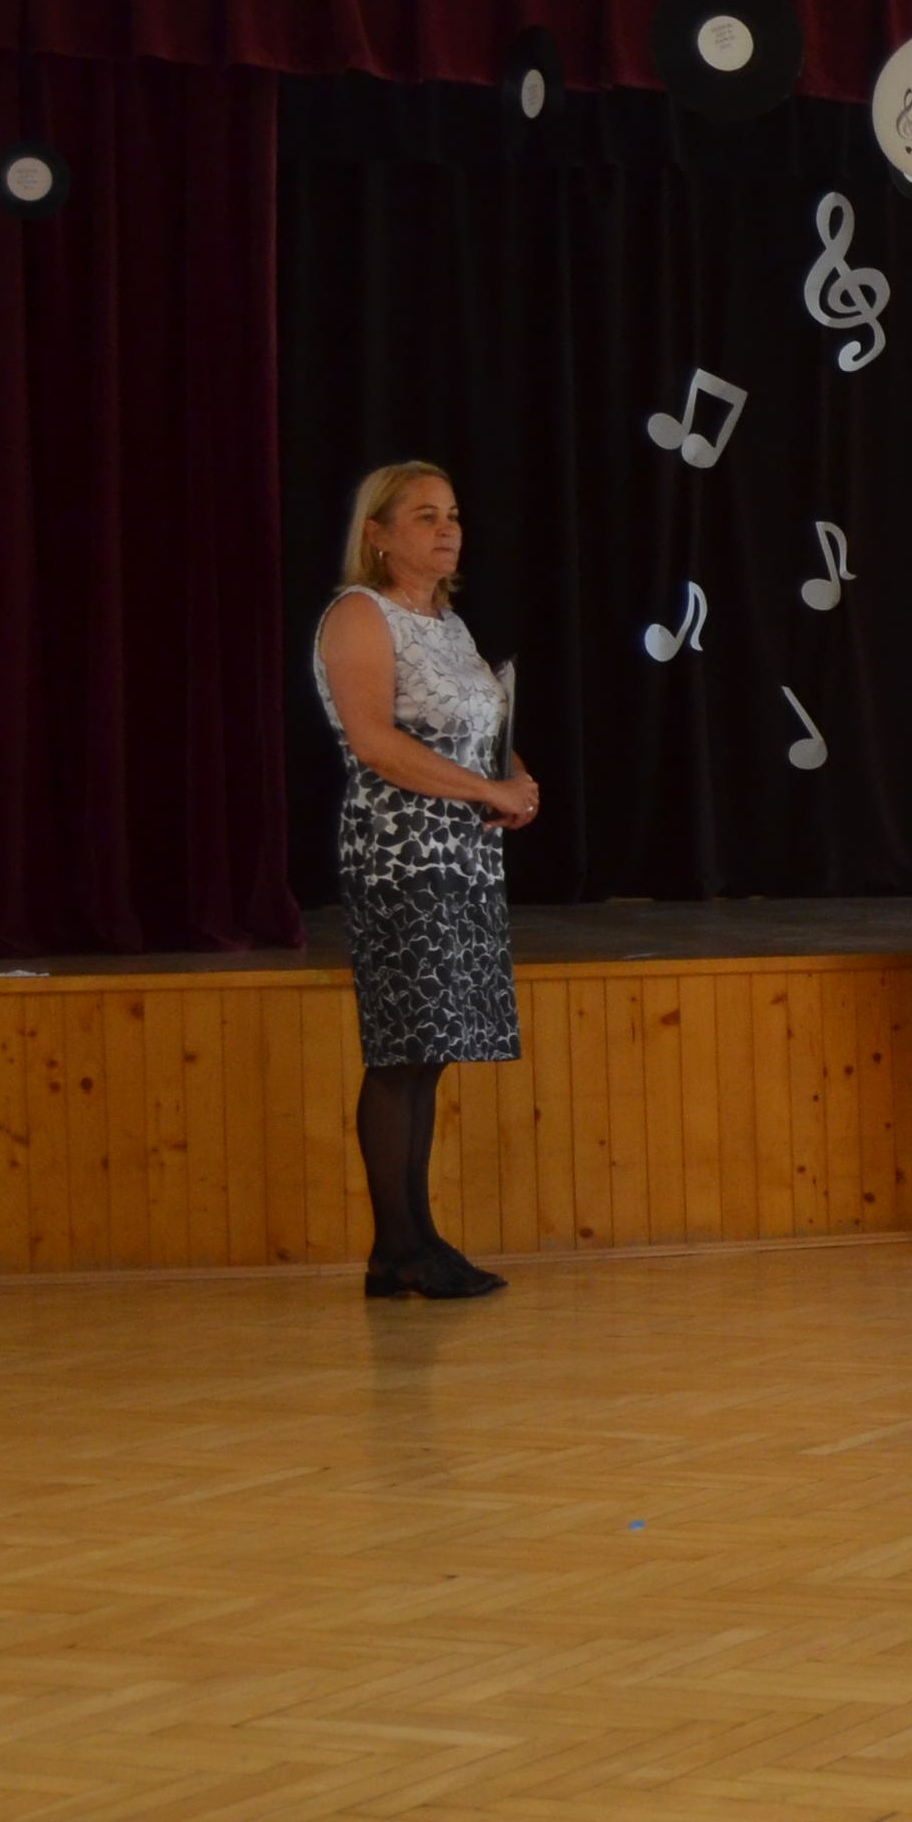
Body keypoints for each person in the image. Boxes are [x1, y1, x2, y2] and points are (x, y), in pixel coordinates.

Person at [312, 462, 538, 1299]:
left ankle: (414, 1242)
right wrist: (487, 790)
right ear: (377, 534)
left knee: (430, 1050)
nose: (447, 529)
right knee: (403, 1050)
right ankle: (399, 1247)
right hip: (400, 857)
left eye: (453, 515)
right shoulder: (360, 615)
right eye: (424, 516)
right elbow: (375, 742)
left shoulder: (445, 621)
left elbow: (479, 726)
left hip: (463, 856)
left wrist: (516, 779)